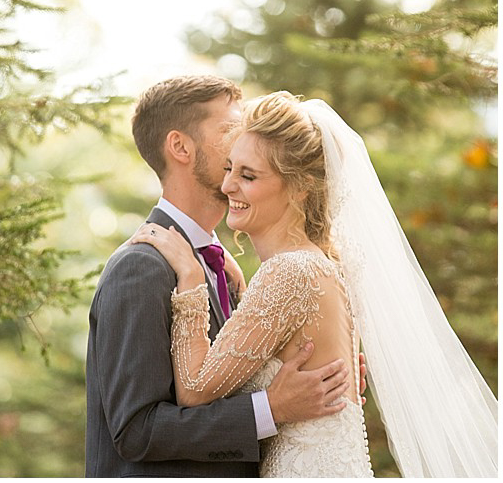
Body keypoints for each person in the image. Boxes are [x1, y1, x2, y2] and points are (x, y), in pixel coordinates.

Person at [130, 91, 497, 476]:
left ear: (301, 187)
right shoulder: (320, 265)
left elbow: (192, 388)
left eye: (248, 175)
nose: (227, 187)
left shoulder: (290, 274)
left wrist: (191, 281)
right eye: (229, 169)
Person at [84, 75, 356, 476]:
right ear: (180, 147)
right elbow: (136, 433)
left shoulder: (226, 268)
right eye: (230, 128)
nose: (243, 137)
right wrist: (271, 408)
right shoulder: (141, 268)